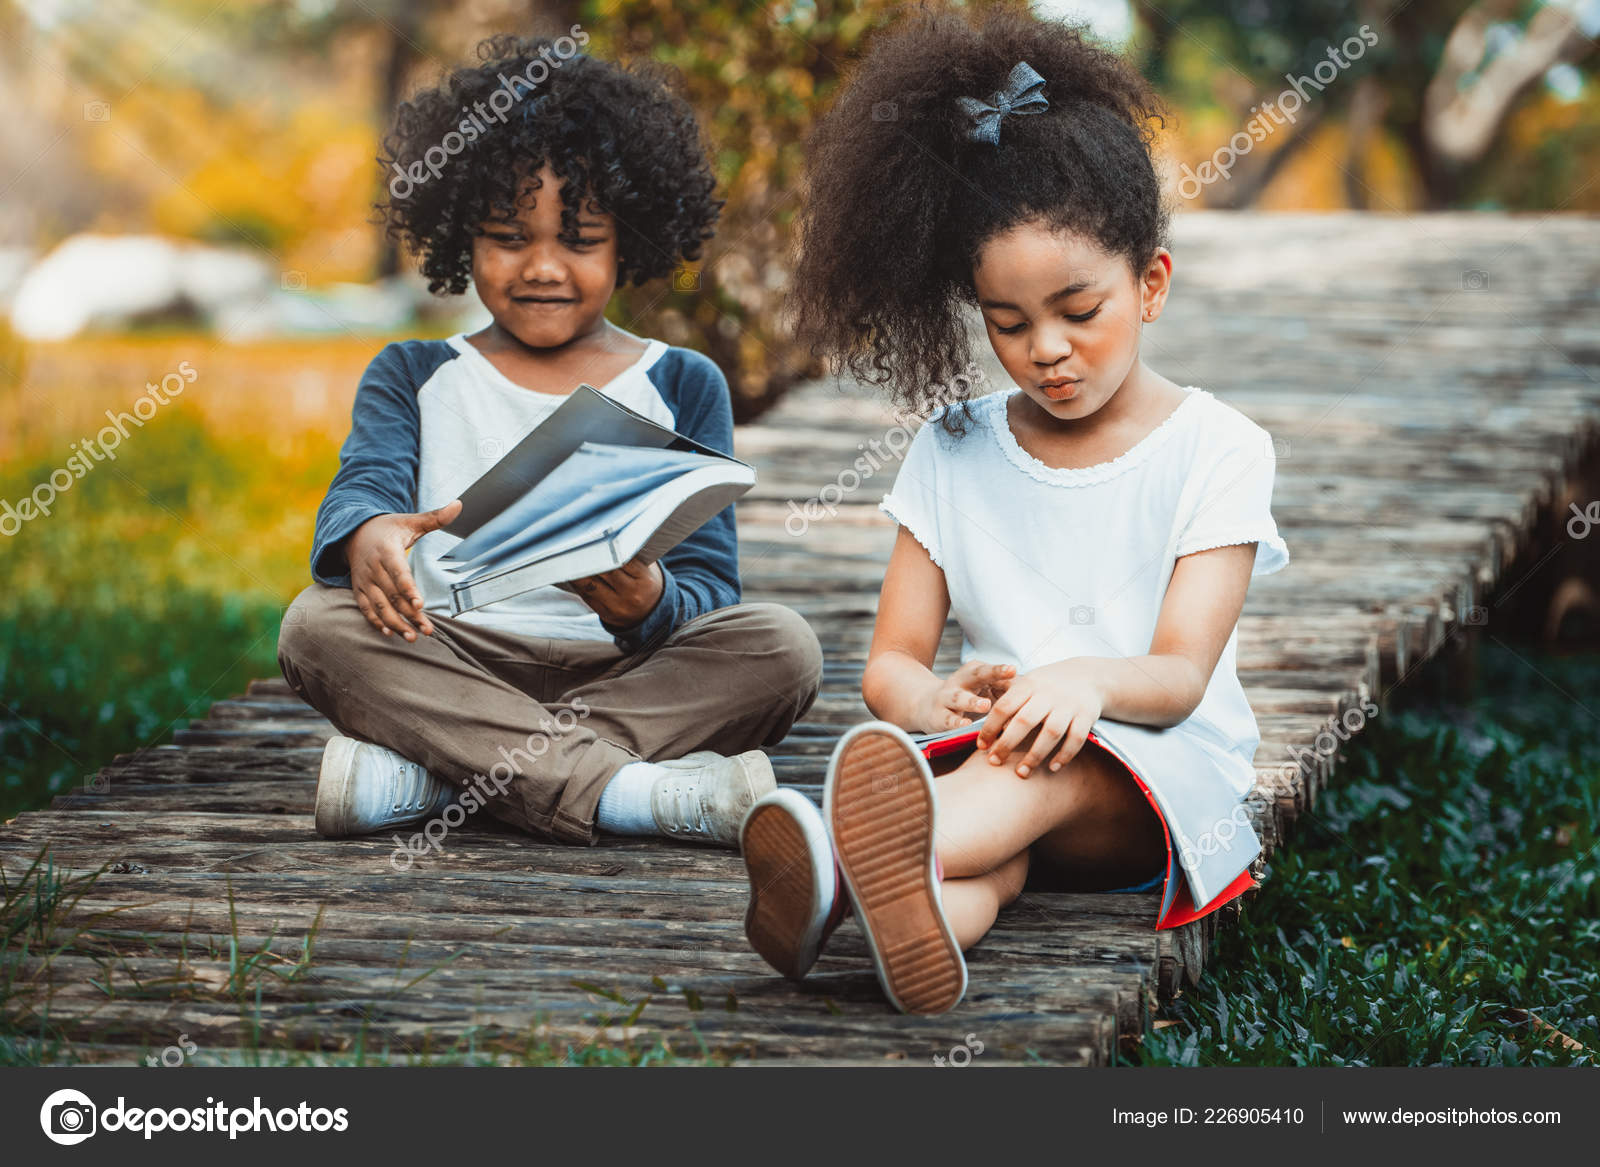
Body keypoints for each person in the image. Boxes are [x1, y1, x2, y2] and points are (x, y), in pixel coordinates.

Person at [737, 6, 1289, 1014]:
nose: (1046, 348)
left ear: (1151, 283)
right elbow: (890, 665)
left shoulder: (1218, 449)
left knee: (1046, 772)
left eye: (1080, 312)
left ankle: (827, 856)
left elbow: (1176, 677)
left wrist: (1081, 682)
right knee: (980, 864)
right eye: (1008, 322)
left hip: (1148, 786)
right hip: (984, 778)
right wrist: (931, 703)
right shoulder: (953, 450)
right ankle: (911, 928)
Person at [277, 35, 822, 852]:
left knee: (784, 649)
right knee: (314, 628)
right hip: (450, 659)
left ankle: (436, 776)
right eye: (507, 235)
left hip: (621, 670)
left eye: (580, 238)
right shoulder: (413, 371)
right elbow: (367, 484)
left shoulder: (683, 381)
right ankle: (633, 792)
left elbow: (711, 588)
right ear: (459, 233)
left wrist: (650, 603)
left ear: (627, 243)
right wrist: (367, 533)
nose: (542, 266)